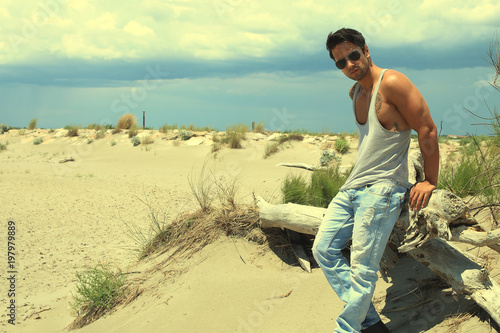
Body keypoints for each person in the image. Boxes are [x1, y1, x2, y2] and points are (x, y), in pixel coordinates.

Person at [312, 28, 439, 333]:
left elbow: (427, 129)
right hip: (352, 188)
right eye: (341, 62)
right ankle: (369, 324)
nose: (350, 65)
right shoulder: (356, 92)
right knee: (324, 250)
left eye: (353, 55)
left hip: (383, 189)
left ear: (365, 50)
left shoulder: (392, 82)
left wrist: (429, 181)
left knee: (362, 269)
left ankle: (347, 328)